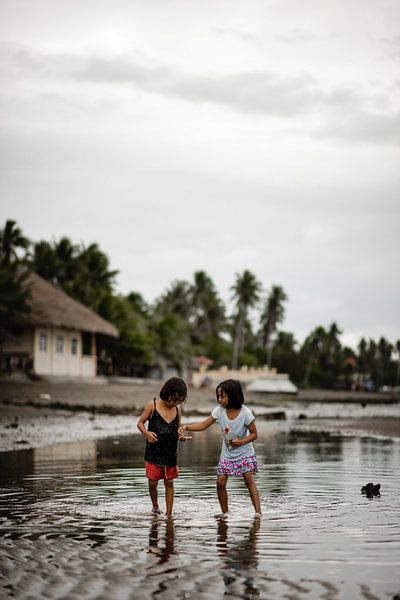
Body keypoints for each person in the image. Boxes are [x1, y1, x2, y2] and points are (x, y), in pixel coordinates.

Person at [179, 378, 261, 516]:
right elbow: (203, 425)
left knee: (248, 480)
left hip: (245, 452)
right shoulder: (219, 411)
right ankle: (225, 513)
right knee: (220, 482)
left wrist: (241, 442)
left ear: (233, 395)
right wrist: (186, 427)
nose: (220, 400)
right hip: (227, 454)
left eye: (223, 396)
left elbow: (254, 434)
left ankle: (258, 513)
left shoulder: (246, 413)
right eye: (218, 396)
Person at [137, 377, 189, 517]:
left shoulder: (177, 410)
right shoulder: (152, 406)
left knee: (169, 483)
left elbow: (178, 430)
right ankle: (155, 506)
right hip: (153, 453)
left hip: (170, 454)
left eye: (179, 401)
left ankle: (169, 513)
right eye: (175, 399)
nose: (176, 403)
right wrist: (147, 433)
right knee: (153, 483)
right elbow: (140, 423)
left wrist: (181, 436)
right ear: (167, 393)